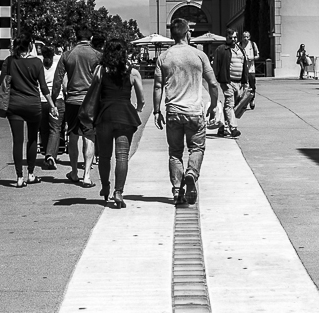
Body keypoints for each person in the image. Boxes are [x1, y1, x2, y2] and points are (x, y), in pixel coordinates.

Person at [153, 18, 220, 206]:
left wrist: (157, 111)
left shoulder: (164, 57)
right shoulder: (199, 55)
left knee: (175, 152)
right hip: (194, 111)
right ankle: (191, 173)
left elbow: (158, 86)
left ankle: (176, 191)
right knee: (196, 148)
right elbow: (213, 84)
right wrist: (214, 105)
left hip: (173, 111)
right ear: (187, 33)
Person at [91, 39, 144, 209]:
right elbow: (141, 98)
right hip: (124, 116)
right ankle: (118, 192)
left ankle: (105, 186)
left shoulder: (100, 70)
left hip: (105, 115)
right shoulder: (133, 72)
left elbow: (93, 93)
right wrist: (138, 109)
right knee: (122, 156)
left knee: (104, 156)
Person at [0, 34, 56, 188]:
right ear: (29, 46)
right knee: (32, 139)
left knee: (17, 141)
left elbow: (1, 81)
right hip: (33, 105)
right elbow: (43, 86)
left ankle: (19, 177)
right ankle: (31, 174)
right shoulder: (37, 62)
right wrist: (52, 105)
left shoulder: (9, 61)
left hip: (14, 105)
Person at [53, 28, 104, 188]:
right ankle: (87, 175)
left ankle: (74, 171)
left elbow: (58, 80)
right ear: (91, 37)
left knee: (73, 136)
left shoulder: (67, 55)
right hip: (90, 102)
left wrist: (54, 100)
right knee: (89, 136)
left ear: (76, 37)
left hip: (72, 101)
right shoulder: (97, 55)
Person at [213, 30, 248, 139]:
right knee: (229, 104)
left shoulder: (240, 50)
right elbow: (216, 65)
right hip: (227, 82)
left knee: (231, 106)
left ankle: (222, 127)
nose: (233, 40)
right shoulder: (221, 49)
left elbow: (244, 65)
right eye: (230, 38)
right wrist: (218, 79)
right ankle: (233, 128)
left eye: (234, 37)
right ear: (226, 38)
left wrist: (244, 82)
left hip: (238, 83)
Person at [38, 44, 64, 169]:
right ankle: (51, 155)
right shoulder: (58, 63)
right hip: (56, 99)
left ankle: (46, 153)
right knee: (55, 129)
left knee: (43, 129)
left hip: (41, 100)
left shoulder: (38, 65)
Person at [240, 30, 258, 110]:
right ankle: (244, 102)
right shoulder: (239, 45)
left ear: (249, 37)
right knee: (243, 87)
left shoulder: (253, 45)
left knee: (252, 86)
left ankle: (252, 100)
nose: (245, 38)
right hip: (242, 70)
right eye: (244, 37)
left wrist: (253, 58)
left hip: (251, 69)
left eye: (247, 37)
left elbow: (257, 55)